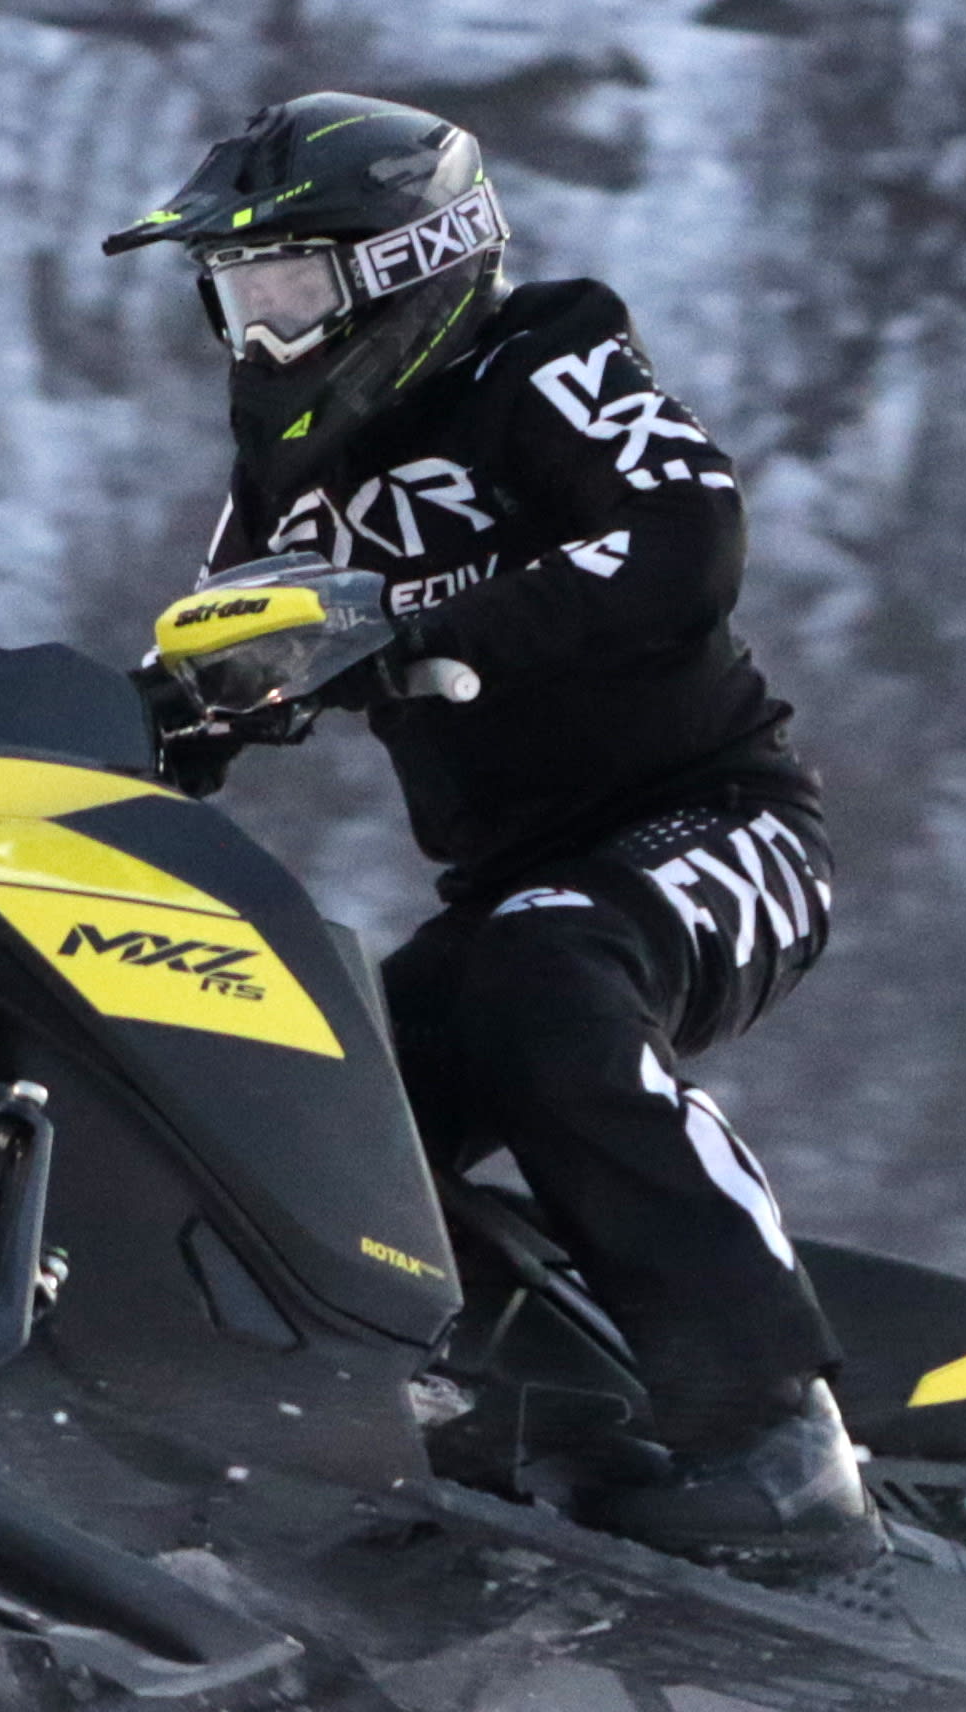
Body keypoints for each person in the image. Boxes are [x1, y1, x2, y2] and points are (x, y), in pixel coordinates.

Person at [107, 92, 882, 1581]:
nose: (259, 335)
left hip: (716, 820)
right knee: (307, 1097)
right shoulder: (290, 470)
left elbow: (682, 541)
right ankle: (493, 1417)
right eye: (236, 297)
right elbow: (215, 647)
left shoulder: (547, 359)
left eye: (287, 288)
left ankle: (781, 1440)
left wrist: (413, 628)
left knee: (546, 983)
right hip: (511, 889)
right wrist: (138, 728)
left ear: (408, 265)